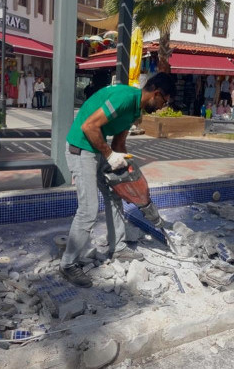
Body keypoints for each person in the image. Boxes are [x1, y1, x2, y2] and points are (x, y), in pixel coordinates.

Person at [60, 73, 176, 287]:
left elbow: (119, 145)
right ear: (157, 93)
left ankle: (118, 248)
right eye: (164, 102)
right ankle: (68, 264)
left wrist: (127, 172)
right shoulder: (124, 98)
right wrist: (110, 156)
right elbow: (88, 127)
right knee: (88, 209)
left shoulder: (136, 111)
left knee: (115, 194)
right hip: (81, 148)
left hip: (98, 148)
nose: (163, 107)